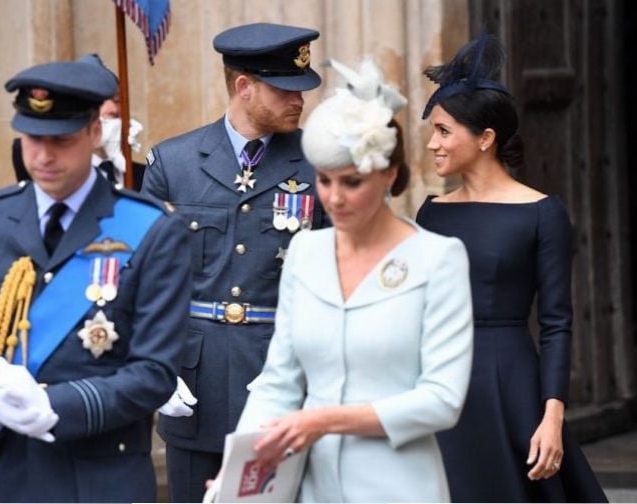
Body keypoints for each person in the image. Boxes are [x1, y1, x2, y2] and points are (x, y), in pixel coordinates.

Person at [0, 57, 191, 502]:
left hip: (101, 481)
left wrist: (55, 406)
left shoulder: (152, 231)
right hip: (3, 474)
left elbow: (154, 373)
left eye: (60, 140)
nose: (43, 156)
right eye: (32, 138)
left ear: (93, 134)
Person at [227, 59, 474, 502]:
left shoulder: (439, 258)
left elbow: (442, 399)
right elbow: (278, 381)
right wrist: (241, 475)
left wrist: (321, 421)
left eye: (352, 182)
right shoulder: (305, 252)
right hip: (310, 487)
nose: (334, 198)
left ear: (390, 175)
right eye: (323, 181)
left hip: (400, 486)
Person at [415, 32, 608, 502]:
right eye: (432, 131)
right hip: (437, 380)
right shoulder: (431, 212)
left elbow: (558, 322)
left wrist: (552, 416)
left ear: (485, 138)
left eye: (444, 131)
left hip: (509, 381)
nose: (432, 144)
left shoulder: (542, 212)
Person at [140, 22, 327, 502]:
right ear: (244, 87)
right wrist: (155, 366)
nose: (299, 100)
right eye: (284, 89)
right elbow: (144, 283)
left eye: (301, 89)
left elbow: (336, 275)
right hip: (194, 380)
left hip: (279, 374)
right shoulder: (174, 163)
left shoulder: (317, 163)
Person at [12, 53, 147, 190]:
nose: (113, 110)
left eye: (117, 101)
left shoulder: (146, 176)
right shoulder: (41, 165)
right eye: (99, 103)